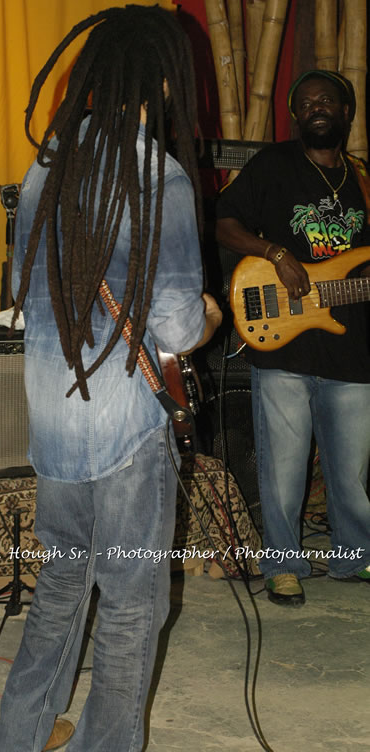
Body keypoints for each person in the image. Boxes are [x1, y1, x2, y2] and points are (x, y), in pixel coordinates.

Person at [0, 6, 222, 752]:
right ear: (162, 81)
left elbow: (27, 295)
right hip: (126, 429)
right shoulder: (161, 178)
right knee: (129, 604)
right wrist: (213, 312)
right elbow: (178, 330)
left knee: (61, 586)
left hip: (54, 419)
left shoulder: (44, 169)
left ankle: (19, 736)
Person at [215, 69, 370, 608]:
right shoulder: (274, 164)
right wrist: (275, 254)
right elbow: (225, 223)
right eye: (306, 103)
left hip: (352, 349)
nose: (316, 107)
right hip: (284, 342)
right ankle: (282, 564)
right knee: (283, 467)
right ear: (295, 116)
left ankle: (355, 556)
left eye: (327, 100)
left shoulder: (362, 179)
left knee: (352, 472)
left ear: (346, 111)